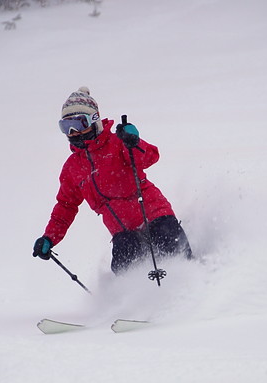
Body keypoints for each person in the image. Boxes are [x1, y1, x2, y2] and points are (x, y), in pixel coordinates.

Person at [33, 87, 192, 274]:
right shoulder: (72, 168)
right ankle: (137, 302)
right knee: (124, 268)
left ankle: (194, 282)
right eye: (67, 127)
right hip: (123, 232)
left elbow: (150, 157)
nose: (74, 132)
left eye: (79, 124)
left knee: (171, 246)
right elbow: (66, 206)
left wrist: (134, 141)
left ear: (94, 120)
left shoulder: (117, 142)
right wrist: (49, 238)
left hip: (155, 214)